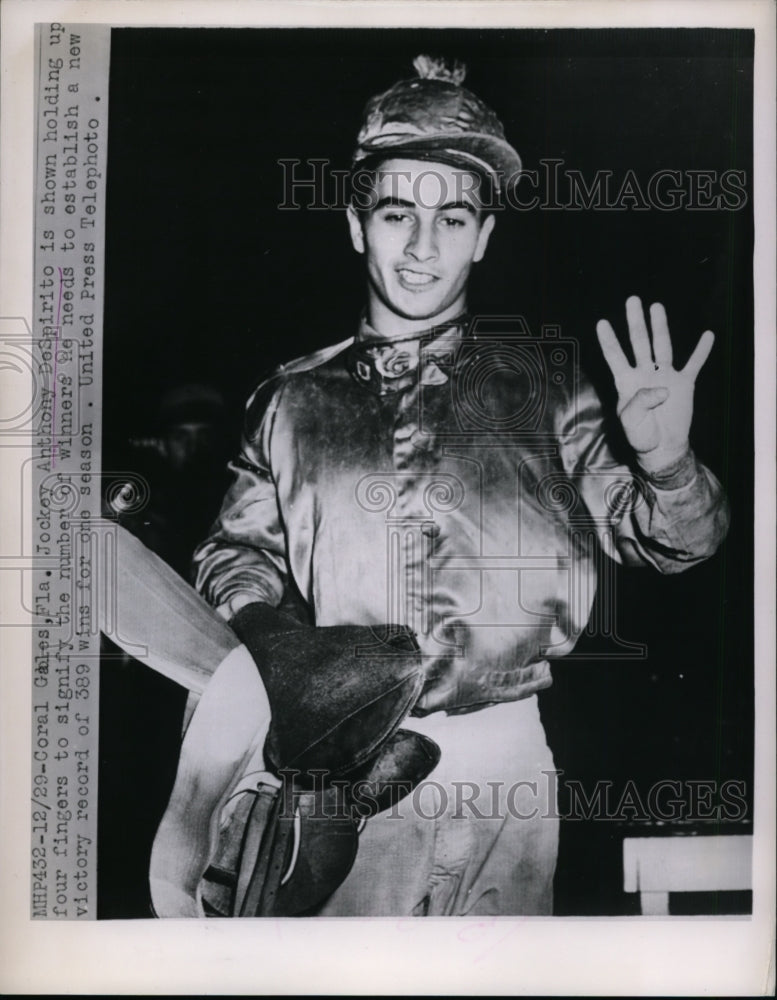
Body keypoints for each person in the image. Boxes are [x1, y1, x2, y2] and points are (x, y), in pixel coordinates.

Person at [190, 55, 729, 916]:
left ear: (483, 236)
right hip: (345, 777)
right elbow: (235, 553)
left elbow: (672, 539)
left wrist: (665, 464)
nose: (422, 246)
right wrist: (280, 646)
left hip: (506, 768)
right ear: (355, 223)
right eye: (397, 213)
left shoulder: (548, 388)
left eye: (453, 218)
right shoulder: (289, 401)